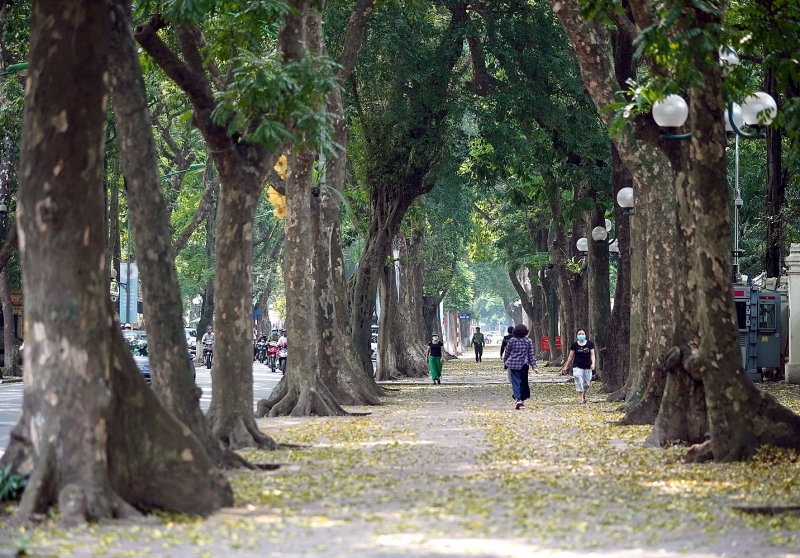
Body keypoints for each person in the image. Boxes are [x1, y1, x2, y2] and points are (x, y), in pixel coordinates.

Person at [502, 324, 539, 409]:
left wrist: (505, 364)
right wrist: (534, 366)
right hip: (524, 365)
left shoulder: (512, 341)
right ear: (525, 332)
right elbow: (531, 355)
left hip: (513, 365)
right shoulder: (528, 341)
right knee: (523, 382)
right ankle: (521, 401)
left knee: (515, 382)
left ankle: (518, 399)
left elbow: (507, 353)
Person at [561, 328, 595, 404]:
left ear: (585, 335)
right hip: (577, 366)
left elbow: (592, 354)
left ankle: (583, 395)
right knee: (577, 378)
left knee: (587, 384)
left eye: (582, 334)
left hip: (587, 366)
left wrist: (593, 364)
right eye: (579, 334)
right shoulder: (574, 345)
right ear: (577, 335)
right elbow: (570, 356)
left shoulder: (590, 344)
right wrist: (566, 366)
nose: (581, 335)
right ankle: (581, 399)